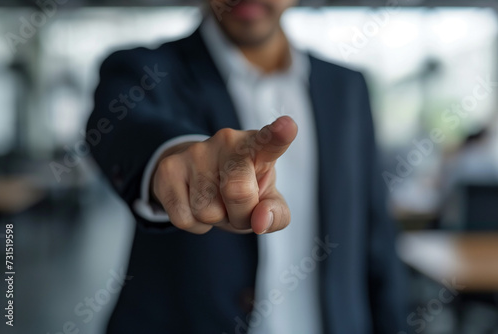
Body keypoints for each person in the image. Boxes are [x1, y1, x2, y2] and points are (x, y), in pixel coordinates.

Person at [87, 1, 408, 333]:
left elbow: (374, 231)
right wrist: (178, 155)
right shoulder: (143, 70)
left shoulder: (347, 87)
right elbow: (123, 128)